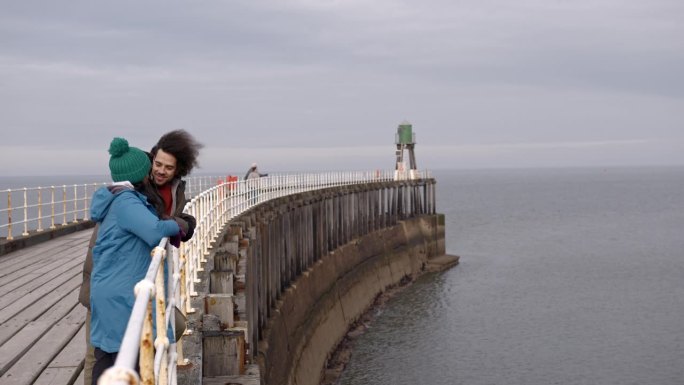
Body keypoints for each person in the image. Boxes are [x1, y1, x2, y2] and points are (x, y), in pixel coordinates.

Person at [79, 130, 202, 385]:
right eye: (157, 164)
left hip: (133, 274)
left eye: (169, 167)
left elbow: (169, 222)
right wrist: (177, 224)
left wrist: (184, 222)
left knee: (142, 339)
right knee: (103, 350)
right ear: (151, 159)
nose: (160, 171)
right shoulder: (135, 185)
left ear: (178, 170)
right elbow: (153, 226)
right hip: (115, 277)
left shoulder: (170, 189)